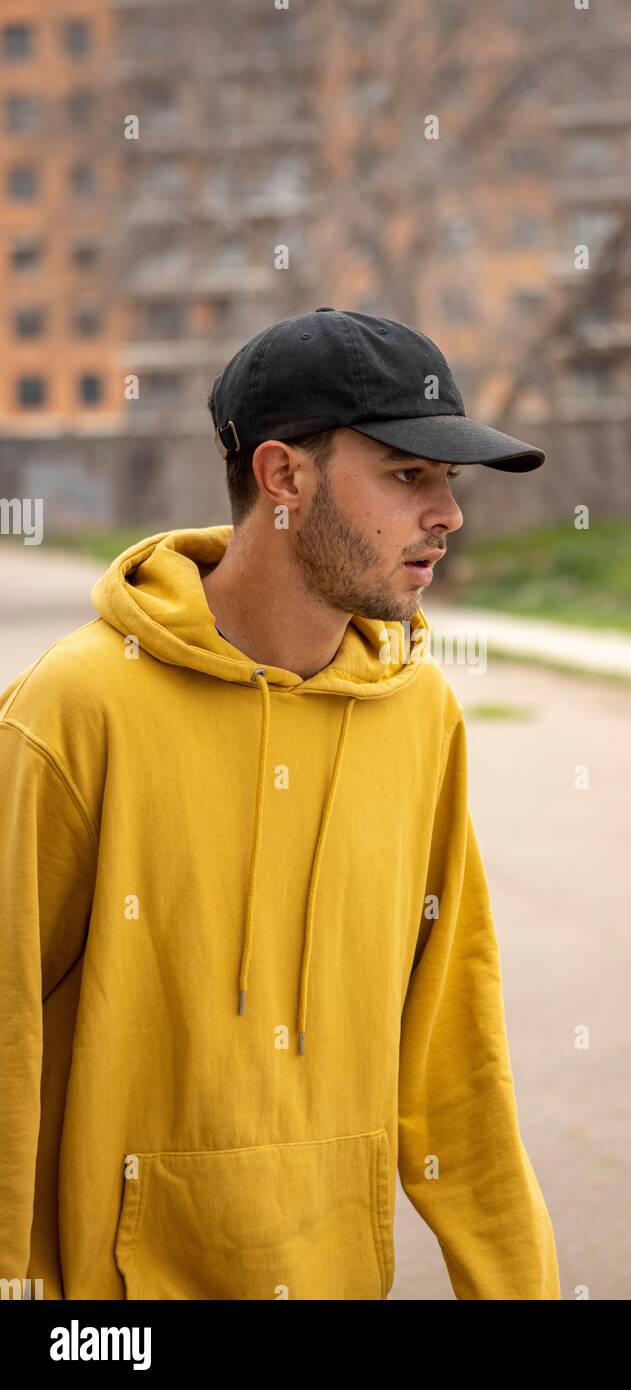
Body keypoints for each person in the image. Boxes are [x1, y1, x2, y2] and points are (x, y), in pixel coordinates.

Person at [0, 308, 560, 1300]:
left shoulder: (420, 713)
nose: (448, 514)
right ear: (284, 477)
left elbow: (453, 1047)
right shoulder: (78, 706)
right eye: (406, 474)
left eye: (449, 482)